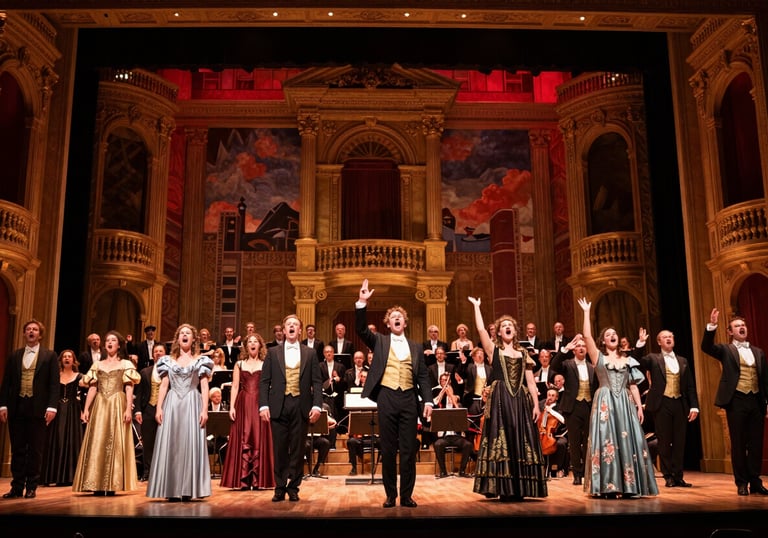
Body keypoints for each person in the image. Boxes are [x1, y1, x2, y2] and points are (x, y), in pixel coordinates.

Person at [356, 279, 433, 508]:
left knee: (409, 450)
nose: (397, 318)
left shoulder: (416, 347)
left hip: (409, 399)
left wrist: (427, 399)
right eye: (393, 317)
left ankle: (407, 495)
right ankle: (391, 495)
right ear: (388, 324)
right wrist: (362, 302)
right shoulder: (379, 340)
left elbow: (422, 377)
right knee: (388, 449)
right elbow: (361, 329)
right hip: (387, 397)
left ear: (405, 323)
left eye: (400, 316)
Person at [467, 296, 547, 501]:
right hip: (501, 399)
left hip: (520, 400)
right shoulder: (495, 350)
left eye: (510, 325)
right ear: (499, 332)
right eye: (504, 326)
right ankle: (503, 486)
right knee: (501, 439)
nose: (507, 327)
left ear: (515, 330)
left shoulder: (523, 353)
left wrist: (536, 405)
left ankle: (521, 486)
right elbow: (482, 331)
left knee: (520, 438)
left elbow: (530, 382)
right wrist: (477, 307)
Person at [576, 297, 658, 498]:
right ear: (603, 341)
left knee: (628, 440)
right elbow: (587, 336)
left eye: (614, 334)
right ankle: (608, 485)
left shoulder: (628, 359)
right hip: (605, 401)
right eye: (608, 334)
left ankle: (630, 485)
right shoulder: (598, 357)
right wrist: (587, 312)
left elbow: (633, 385)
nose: (612, 336)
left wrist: (639, 407)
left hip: (625, 403)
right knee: (606, 441)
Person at [701, 308, 768, 496]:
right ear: (730, 332)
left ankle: (755, 481)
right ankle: (741, 483)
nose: (742, 328)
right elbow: (706, 347)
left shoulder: (758, 352)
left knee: (756, 444)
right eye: (737, 326)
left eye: (743, 325)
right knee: (738, 444)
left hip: (756, 400)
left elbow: (764, 380)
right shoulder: (725, 349)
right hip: (736, 400)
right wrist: (712, 326)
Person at [259, 314, 323, 503]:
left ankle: (293, 487)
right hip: (279, 405)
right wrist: (263, 405)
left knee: (297, 449)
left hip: (301, 405)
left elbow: (317, 382)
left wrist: (317, 405)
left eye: (296, 324)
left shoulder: (310, 353)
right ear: (284, 330)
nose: (292, 327)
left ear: (300, 330)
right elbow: (264, 382)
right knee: (279, 449)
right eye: (289, 325)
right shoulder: (272, 352)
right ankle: (279, 487)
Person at [146, 324, 214, 501]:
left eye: (188, 334)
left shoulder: (201, 360)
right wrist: (159, 407)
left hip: (192, 402)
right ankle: (171, 488)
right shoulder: (167, 360)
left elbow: (205, 386)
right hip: (173, 403)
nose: (184, 336)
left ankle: (188, 488)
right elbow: (164, 385)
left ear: (193, 339)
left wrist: (205, 409)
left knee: (190, 442)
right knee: (173, 444)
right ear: (178, 338)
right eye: (182, 333)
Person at [73, 330, 140, 496]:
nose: (109, 342)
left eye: (113, 340)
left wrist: (128, 408)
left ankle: (112, 482)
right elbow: (93, 387)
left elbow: (129, 387)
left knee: (115, 440)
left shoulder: (126, 364)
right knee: (98, 439)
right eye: (107, 340)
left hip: (117, 402)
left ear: (118, 345)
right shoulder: (97, 365)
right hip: (101, 404)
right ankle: (95, 482)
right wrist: (86, 408)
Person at [0, 319, 59, 499]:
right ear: (24, 334)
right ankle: (16, 487)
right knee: (18, 448)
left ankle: (32, 486)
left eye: (34, 329)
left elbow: (54, 384)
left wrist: (52, 407)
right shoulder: (15, 355)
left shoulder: (49, 356)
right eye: (28, 329)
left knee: (35, 449)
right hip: (17, 406)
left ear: (39, 334)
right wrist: (3, 404)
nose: (31, 332)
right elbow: (7, 383)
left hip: (38, 407)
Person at [635, 327, 699, 488]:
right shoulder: (653, 358)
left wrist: (694, 406)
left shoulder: (683, 361)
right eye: (665, 337)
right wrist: (641, 344)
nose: (669, 338)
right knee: (664, 441)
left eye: (671, 336)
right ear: (659, 342)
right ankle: (668, 475)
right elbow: (638, 361)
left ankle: (678, 476)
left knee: (679, 441)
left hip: (679, 403)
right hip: (662, 403)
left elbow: (690, 385)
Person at [221, 333, 275, 491]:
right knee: (244, 435)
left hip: (260, 402)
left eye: (255, 341)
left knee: (259, 437)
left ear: (260, 345)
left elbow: (270, 386)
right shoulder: (239, 364)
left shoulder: (266, 363)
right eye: (249, 342)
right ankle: (243, 480)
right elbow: (235, 387)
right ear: (246, 346)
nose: (252, 344)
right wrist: (231, 407)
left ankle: (259, 480)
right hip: (243, 403)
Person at [550, 335, 598, 486]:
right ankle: (577, 473)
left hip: (589, 407)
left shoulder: (592, 367)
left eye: (584, 346)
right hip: (573, 408)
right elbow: (554, 366)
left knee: (588, 442)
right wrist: (564, 350)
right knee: (575, 442)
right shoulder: (568, 364)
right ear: (574, 350)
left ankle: (587, 472)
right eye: (578, 346)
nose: (582, 348)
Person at [40, 349, 83, 488]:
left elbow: (91, 388)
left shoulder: (79, 376)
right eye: (64, 356)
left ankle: (68, 476)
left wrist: (84, 410)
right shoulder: (55, 376)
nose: (67, 358)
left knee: (70, 440)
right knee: (55, 439)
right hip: (57, 410)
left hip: (72, 410)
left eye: (70, 356)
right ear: (61, 360)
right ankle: (51, 475)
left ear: (73, 360)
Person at [133, 343, 168, 481]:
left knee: (164, 441)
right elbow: (139, 393)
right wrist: (138, 411)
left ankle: (163, 472)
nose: (158, 353)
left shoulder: (170, 371)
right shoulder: (145, 371)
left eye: (161, 351)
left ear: (165, 354)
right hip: (148, 408)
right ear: (152, 355)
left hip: (165, 409)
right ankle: (147, 471)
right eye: (156, 351)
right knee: (148, 442)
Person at [432, 372, 473, 478]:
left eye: (446, 380)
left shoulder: (456, 398)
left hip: (456, 436)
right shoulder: (438, 398)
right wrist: (443, 392)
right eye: (443, 380)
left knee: (467, 445)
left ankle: (462, 471)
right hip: (444, 436)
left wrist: (450, 395)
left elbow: (458, 407)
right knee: (438, 444)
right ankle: (443, 471)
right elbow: (435, 402)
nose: (444, 382)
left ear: (450, 382)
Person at [538, 387, 569, 479]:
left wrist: (550, 411)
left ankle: (559, 468)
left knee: (560, 444)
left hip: (557, 434)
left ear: (556, 398)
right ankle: (541, 469)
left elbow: (563, 420)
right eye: (549, 395)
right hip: (543, 433)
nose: (550, 397)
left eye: (552, 395)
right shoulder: (541, 406)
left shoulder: (560, 407)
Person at [304, 402, 337, 477]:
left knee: (325, 443)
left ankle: (316, 468)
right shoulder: (303, 405)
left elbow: (333, 422)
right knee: (306, 445)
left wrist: (327, 426)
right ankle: (308, 469)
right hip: (304, 437)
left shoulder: (323, 406)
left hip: (316, 437)